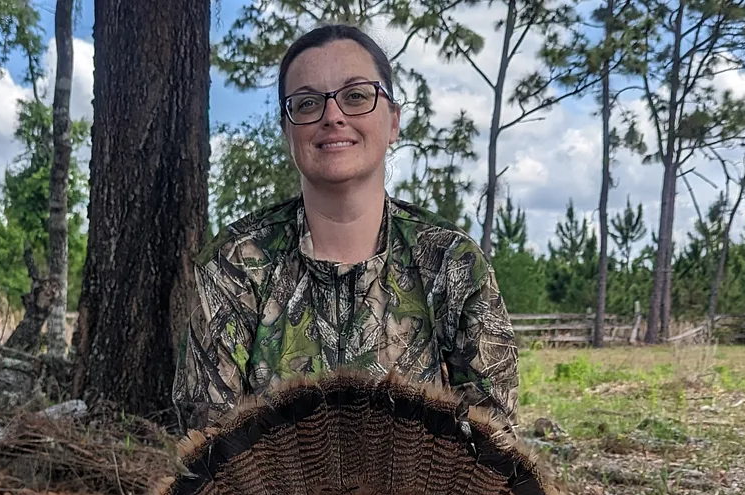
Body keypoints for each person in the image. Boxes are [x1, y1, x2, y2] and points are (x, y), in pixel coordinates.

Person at [172, 23, 520, 431]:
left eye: (356, 96)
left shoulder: (452, 262)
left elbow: (493, 441)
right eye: (306, 104)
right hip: (272, 478)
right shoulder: (234, 264)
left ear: (393, 121)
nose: (333, 116)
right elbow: (209, 442)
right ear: (287, 130)